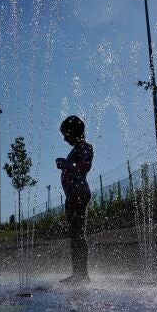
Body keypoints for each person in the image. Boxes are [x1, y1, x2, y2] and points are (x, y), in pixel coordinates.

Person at [56, 115, 94, 284]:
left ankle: (82, 275)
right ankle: (77, 273)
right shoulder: (76, 149)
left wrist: (66, 164)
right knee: (75, 234)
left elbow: (84, 167)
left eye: (66, 134)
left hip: (79, 194)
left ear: (74, 131)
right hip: (73, 195)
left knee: (78, 234)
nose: (65, 138)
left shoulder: (85, 147)